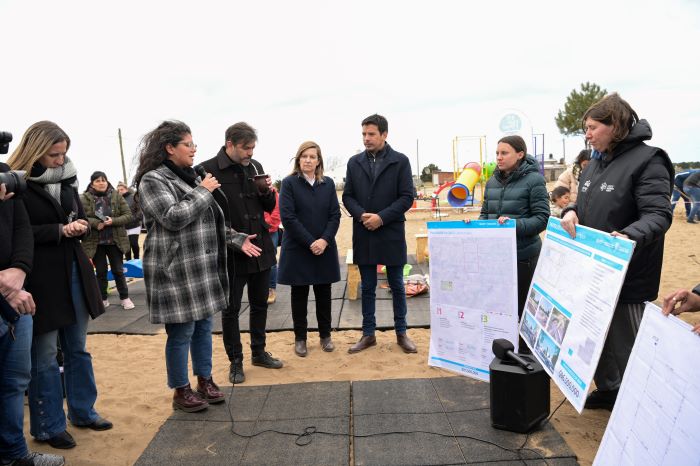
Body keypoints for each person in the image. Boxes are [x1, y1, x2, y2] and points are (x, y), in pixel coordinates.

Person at [133, 120, 260, 412]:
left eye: (193, 144)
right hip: (175, 272)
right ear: (169, 148)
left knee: (203, 328)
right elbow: (172, 216)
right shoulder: (154, 180)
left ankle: (205, 380)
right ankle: (181, 390)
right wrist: (203, 190)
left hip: (202, 270)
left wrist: (236, 238)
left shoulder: (191, 177)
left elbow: (207, 222)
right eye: (188, 144)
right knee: (181, 334)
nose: (194, 149)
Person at [560, 93, 673, 410]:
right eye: (586, 128)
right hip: (593, 270)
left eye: (594, 127)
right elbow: (583, 202)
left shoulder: (649, 160)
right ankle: (610, 389)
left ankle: (641, 405)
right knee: (599, 337)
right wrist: (571, 210)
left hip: (629, 271)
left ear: (617, 126)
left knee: (627, 342)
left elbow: (658, 215)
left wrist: (626, 236)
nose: (588, 134)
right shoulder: (595, 160)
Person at [7, 121, 113, 449]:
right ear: (35, 150)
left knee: (78, 349)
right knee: (44, 357)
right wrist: (58, 231)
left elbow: (75, 215)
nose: (60, 160)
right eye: (54, 154)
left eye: (64, 153)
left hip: (74, 272)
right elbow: (17, 231)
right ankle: (49, 426)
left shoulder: (67, 181)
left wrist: (81, 224)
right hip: (39, 277)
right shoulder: (16, 184)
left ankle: (83, 411)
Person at [200, 122, 282, 384]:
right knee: (231, 310)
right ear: (230, 145)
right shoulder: (206, 170)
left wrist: (267, 192)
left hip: (261, 249)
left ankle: (259, 352)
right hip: (231, 253)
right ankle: (235, 361)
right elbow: (206, 216)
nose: (250, 153)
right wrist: (234, 239)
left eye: (253, 148)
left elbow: (267, 206)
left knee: (260, 304)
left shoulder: (255, 167)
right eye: (246, 148)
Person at [0, 169, 65, 466]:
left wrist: (19, 271)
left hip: (16, 299)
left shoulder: (6, 178)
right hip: (11, 295)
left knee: (14, 382)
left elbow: (22, 229)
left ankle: (14, 455)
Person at [342, 114, 417, 354]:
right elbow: (348, 196)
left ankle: (401, 333)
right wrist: (362, 214)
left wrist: (381, 217)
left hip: (391, 230)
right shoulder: (354, 162)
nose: (366, 138)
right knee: (367, 287)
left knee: (396, 284)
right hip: (364, 231)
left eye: (371, 134)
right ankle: (368, 334)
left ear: (384, 134)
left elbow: (407, 197)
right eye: (364, 134)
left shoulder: (400, 161)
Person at [479, 135, 550, 344]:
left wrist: (513, 225)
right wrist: (475, 225)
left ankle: (526, 356)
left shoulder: (534, 180)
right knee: (501, 308)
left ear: (520, 154)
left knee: (523, 309)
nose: (499, 158)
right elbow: (485, 214)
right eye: (497, 153)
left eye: (504, 153)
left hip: (523, 257)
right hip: (497, 257)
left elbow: (542, 219)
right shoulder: (492, 181)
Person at [278, 141, 341, 357]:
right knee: (299, 295)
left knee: (324, 293)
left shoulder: (328, 184)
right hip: (299, 248)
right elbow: (288, 217)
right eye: (304, 156)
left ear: (318, 161)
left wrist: (323, 241)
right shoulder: (288, 183)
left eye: (312, 157)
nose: (308, 160)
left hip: (324, 247)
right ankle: (300, 339)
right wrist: (310, 242)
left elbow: (335, 215)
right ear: (298, 159)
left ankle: (325, 336)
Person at [80, 172, 134, 310]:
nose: (101, 183)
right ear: (92, 183)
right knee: (101, 272)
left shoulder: (116, 195)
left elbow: (128, 215)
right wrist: (96, 223)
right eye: (97, 181)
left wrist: (113, 221)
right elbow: (82, 217)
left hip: (115, 240)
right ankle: (103, 298)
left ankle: (125, 297)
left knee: (118, 270)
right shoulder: (84, 198)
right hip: (96, 242)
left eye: (103, 180)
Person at [117, 181, 143, 261]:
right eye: (118, 190)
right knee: (126, 245)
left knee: (133, 243)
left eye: (121, 189)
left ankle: (136, 260)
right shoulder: (118, 200)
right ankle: (128, 262)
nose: (120, 191)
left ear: (126, 189)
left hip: (134, 225)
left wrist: (133, 219)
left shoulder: (133, 197)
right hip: (123, 227)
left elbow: (140, 211)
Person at [265, 188, 281, 305]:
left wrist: (268, 224)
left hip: (270, 230)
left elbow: (276, 210)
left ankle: (271, 289)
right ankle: (261, 289)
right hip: (253, 229)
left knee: (271, 261)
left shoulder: (271, 191)